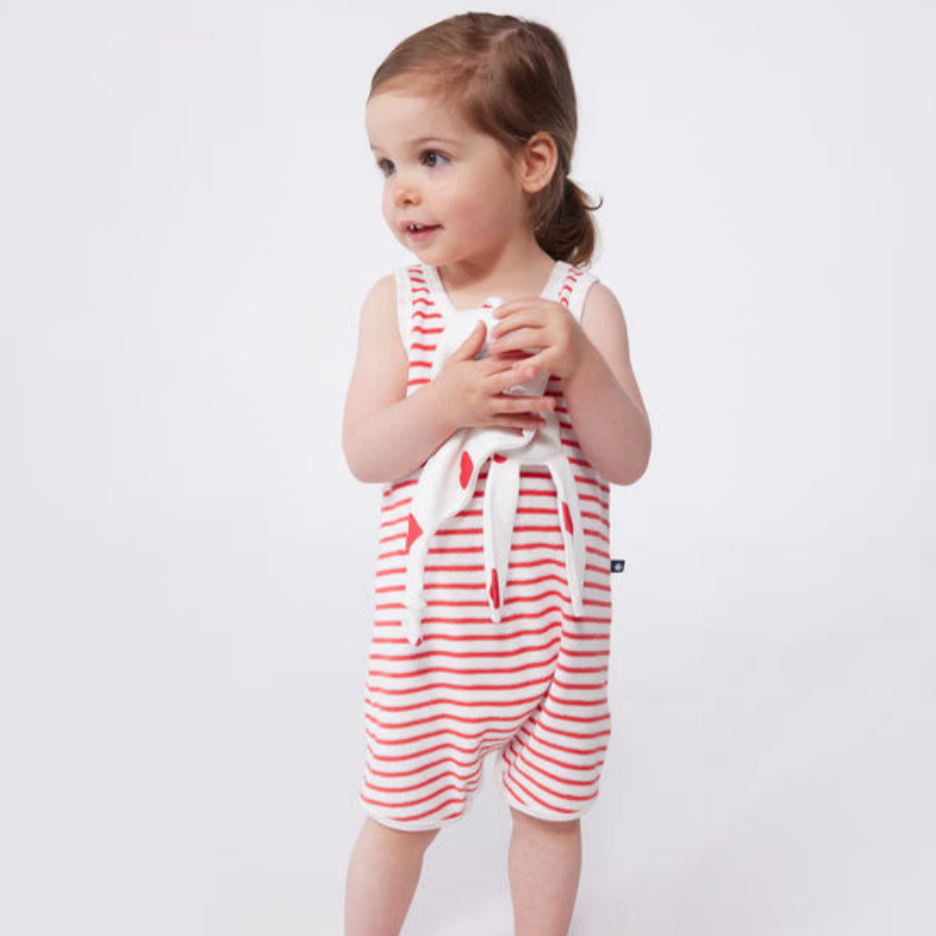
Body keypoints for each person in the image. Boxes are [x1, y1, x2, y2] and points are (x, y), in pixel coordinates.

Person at [340, 12, 651, 936]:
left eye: (432, 157)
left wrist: (580, 365)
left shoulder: (583, 306)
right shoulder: (398, 305)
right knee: (399, 818)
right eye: (385, 165)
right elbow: (365, 454)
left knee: (552, 816)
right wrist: (444, 404)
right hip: (430, 639)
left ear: (532, 163)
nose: (401, 190)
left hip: (560, 636)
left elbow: (628, 460)